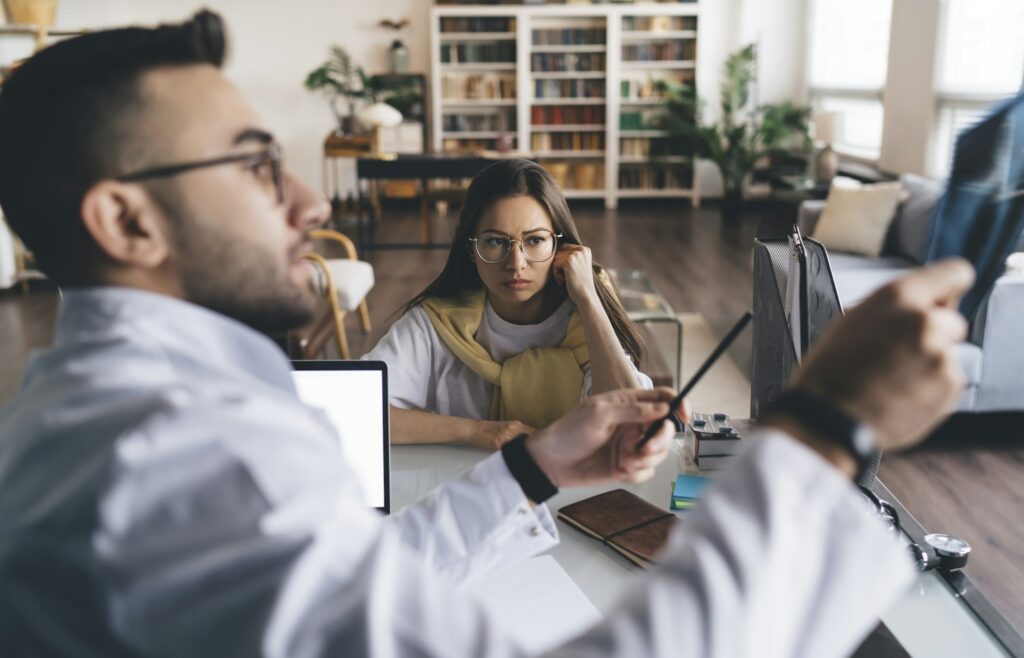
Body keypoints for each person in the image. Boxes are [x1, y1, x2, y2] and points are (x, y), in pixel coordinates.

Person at [0, 12, 974, 657]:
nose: (304, 199)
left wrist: (533, 469)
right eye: (257, 166)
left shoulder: (120, 413)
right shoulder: (187, 458)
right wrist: (825, 430)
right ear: (127, 221)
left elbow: (352, 592)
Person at [364, 159, 652, 449]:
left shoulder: (582, 323)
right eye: (495, 242)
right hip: (467, 487)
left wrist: (589, 298)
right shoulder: (439, 321)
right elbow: (357, 410)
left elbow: (631, 424)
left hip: (583, 489)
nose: (516, 264)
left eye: (535, 240)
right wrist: (478, 432)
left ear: (560, 246)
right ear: (472, 250)